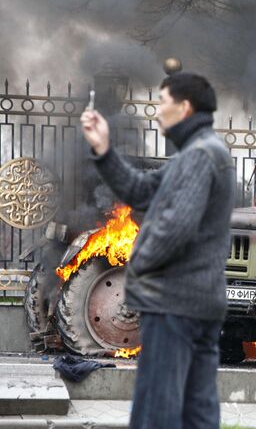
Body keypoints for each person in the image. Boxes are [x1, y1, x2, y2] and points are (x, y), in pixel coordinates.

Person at [80, 72, 234, 429]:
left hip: (174, 305)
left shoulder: (200, 156)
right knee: (197, 412)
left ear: (184, 107)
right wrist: (104, 150)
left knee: (157, 413)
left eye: (161, 101)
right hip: (195, 303)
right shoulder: (199, 154)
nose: (156, 111)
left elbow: (175, 228)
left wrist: (138, 264)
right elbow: (139, 189)